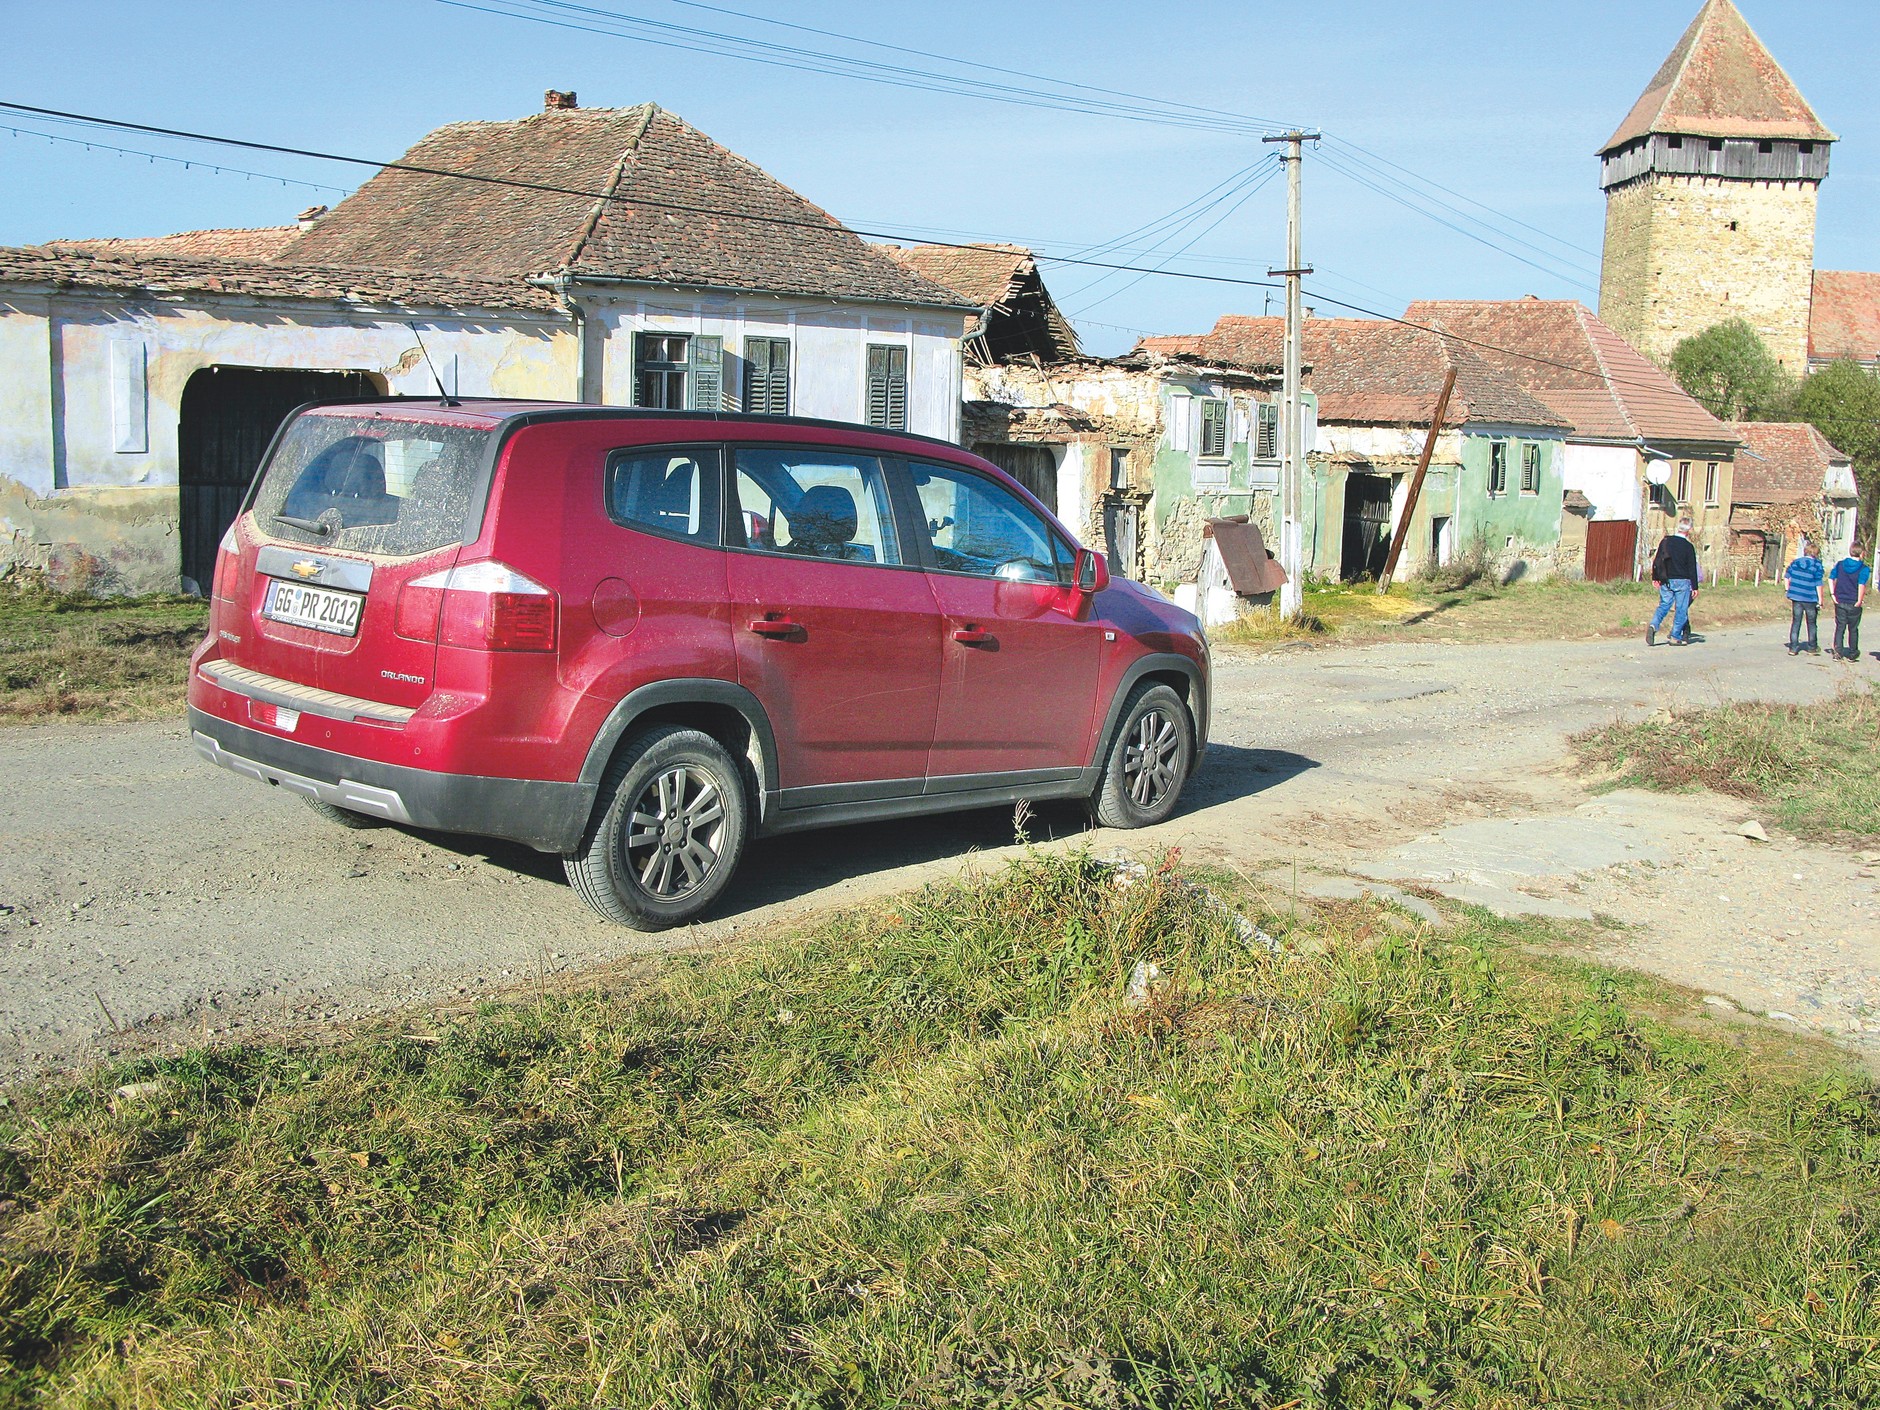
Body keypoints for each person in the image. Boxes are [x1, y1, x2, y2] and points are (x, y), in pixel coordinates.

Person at [1646, 517, 1699, 647]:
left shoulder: (1666, 542)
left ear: (1678, 527)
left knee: (1664, 605)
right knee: (1681, 609)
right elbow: (1692, 568)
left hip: (1666, 579)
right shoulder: (1688, 547)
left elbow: (1658, 559)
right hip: (1682, 581)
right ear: (1689, 530)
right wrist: (1695, 586)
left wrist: (1655, 577)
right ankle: (1675, 636)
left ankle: (1653, 625)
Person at [1782, 538, 1827, 656]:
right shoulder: (1817, 565)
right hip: (1810, 598)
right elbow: (1818, 584)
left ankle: (1793, 647)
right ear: (1816, 554)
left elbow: (1786, 577)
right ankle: (1812, 647)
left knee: (1796, 621)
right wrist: (1821, 600)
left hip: (1796, 596)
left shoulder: (1795, 563)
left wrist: (1788, 589)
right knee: (1811, 622)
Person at [1829, 539, 1870, 662]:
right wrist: (1859, 600)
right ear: (1862, 552)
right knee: (1853, 628)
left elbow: (1831, 578)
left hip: (1840, 599)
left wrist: (1832, 594)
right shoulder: (1864, 568)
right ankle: (1852, 653)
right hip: (1853, 601)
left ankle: (1838, 652)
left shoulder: (1840, 564)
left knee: (1840, 627)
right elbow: (1861, 584)